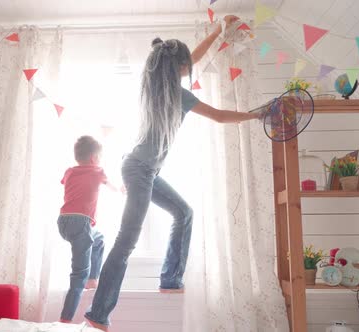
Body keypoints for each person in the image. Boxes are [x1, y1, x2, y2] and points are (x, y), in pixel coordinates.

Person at [85, 16, 260, 331]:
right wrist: (257, 114)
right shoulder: (177, 95)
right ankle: (98, 315)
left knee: (184, 212)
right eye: (185, 66)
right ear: (178, 67)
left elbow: (193, 57)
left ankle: (170, 277)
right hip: (139, 170)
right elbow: (220, 116)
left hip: (143, 169)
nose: (189, 68)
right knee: (126, 242)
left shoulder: (154, 85)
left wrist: (218, 30)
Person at [58, 136, 121, 323]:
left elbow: (66, 182)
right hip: (81, 223)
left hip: (63, 222)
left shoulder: (69, 172)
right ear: (94, 158)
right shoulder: (98, 171)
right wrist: (122, 188)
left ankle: (93, 278)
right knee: (78, 275)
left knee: (99, 238)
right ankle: (65, 320)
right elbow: (114, 188)